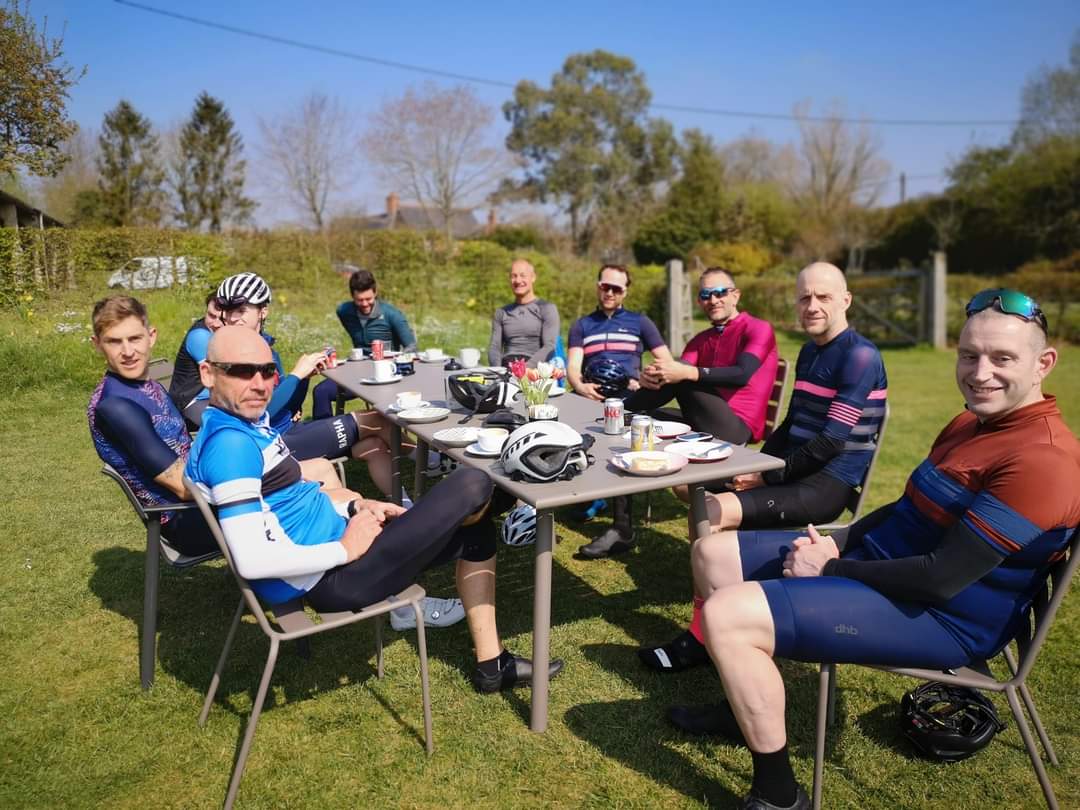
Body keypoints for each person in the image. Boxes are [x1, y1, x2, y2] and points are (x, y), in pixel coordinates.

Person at [663, 289, 1080, 810]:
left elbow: (939, 579)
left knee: (728, 615)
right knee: (712, 554)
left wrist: (832, 565)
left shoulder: (1044, 459)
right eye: (970, 355)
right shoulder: (971, 421)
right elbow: (905, 509)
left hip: (943, 616)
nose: (980, 373)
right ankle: (740, 707)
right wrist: (841, 540)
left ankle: (779, 795)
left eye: (1002, 359)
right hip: (885, 569)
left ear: (1044, 363)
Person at [185, 325, 564, 692]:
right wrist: (346, 547)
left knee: (475, 530)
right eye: (241, 371)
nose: (259, 383)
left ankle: (492, 665)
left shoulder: (242, 425)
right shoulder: (230, 446)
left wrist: (357, 506)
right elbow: (252, 560)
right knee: (474, 481)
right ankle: (515, 499)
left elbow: (293, 496)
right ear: (207, 373)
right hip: (334, 576)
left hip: (341, 547)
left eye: (268, 371)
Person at [639, 262, 888, 672]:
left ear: (846, 300)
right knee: (695, 489)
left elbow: (830, 442)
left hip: (826, 483)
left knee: (711, 513)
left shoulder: (859, 356)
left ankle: (705, 635)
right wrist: (755, 461)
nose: (812, 305)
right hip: (796, 471)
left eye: (823, 297)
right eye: (805, 297)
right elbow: (792, 425)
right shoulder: (811, 351)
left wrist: (765, 475)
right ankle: (721, 614)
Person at [567, 264, 674, 558]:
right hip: (589, 398)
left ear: (626, 290)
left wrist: (643, 379)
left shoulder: (641, 323)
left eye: (617, 288)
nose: (610, 293)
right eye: (605, 286)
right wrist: (580, 386)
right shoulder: (582, 325)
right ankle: (586, 494)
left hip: (630, 400)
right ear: (598, 286)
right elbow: (573, 368)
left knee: (623, 444)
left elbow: (666, 362)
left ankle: (622, 528)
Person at [625, 266, 778, 447]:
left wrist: (683, 372)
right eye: (706, 295)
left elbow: (742, 374)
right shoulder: (701, 339)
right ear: (699, 301)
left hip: (736, 428)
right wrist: (654, 375)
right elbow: (677, 370)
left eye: (720, 293)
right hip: (706, 418)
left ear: (735, 296)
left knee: (683, 377)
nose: (713, 300)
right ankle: (617, 412)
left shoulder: (758, 328)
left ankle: (617, 411)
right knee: (646, 417)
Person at [312, 268, 417, 420]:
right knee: (320, 391)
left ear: (375, 292)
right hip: (357, 373)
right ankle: (324, 434)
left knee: (381, 414)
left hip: (384, 374)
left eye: (368, 299)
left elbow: (412, 347)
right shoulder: (344, 311)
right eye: (359, 300)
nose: (365, 304)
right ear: (352, 296)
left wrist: (396, 363)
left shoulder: (392, 314)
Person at [487, 258, 560, 367]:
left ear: (533, 277)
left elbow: (549, 346)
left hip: (533, 370)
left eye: (522, 275)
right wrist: (498, 371)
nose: (517, 280)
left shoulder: (547, 308)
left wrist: (524, 370)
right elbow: (494, 347)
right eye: (514, 276)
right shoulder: (501, 312)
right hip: (506, 367)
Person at [168, 291, 224, 429]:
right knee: (229, 428)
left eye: (222, 319)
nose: (216, 324)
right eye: (211, 315)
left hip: (213, 398)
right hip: (191, 401)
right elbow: (222, 379)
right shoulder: (200, 336)